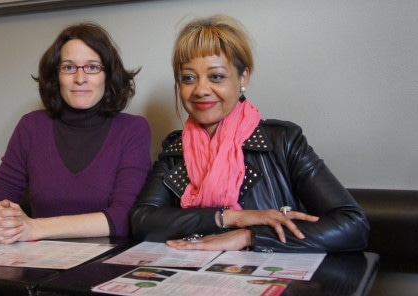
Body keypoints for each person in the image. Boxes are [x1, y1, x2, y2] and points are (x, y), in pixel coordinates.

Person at [130, 14, 369, 253]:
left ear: (243, 77)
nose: (201, 89)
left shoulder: (283, 141)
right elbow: (142, 220)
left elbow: (353, 225)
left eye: (216, 76)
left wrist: (249, 236)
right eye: (189, 78)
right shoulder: (175, 149)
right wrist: (230, 218)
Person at [0, 22, 152, 244]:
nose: (80, 78)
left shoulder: (132, 130)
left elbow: (125, 218)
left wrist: (34, 227)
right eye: (69, 67)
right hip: (37, 264)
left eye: (92, 67)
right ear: (56, 75)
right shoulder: (31, 126)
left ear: (108, 75)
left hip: (104, 264)